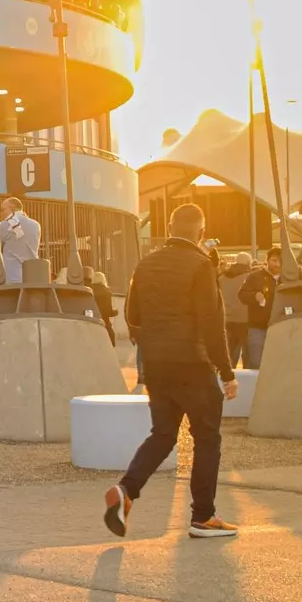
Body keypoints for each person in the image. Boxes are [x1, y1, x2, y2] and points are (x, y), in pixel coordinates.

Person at [104, 202, 240, 539]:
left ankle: (126, 490)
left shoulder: (146, 264)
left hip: (156, 365)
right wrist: (226, 371)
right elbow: (211, 321)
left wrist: (153, 342)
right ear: (201, 231)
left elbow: (132, 314)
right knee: (207, 438)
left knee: (163, 435)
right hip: (193, 364)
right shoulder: (200, 264)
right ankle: (203, 517)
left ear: (169, 226)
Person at [237, 250, 279, 369]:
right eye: (274, 260)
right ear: (267, 260)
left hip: (280, 327)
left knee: (277, 363)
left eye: (280, 261)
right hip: (258, 327)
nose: (277, 264)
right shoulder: (255, 276)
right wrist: (254, 296)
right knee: (256, 363)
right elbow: (241, 295)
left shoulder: (288, 277)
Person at [217, 251, 253, 368]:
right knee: (248, 356)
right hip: (245, 319)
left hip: (227, 319)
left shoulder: (222, 277)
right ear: (248, 263)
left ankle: (227, 379)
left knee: (229, 355)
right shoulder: (250, 277)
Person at [0, 197, 41, 282]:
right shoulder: (36, 225)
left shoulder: (3, 225)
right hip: (33, 277)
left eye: (3, 210)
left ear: (12, 208)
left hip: (13, 279)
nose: (1, 213)